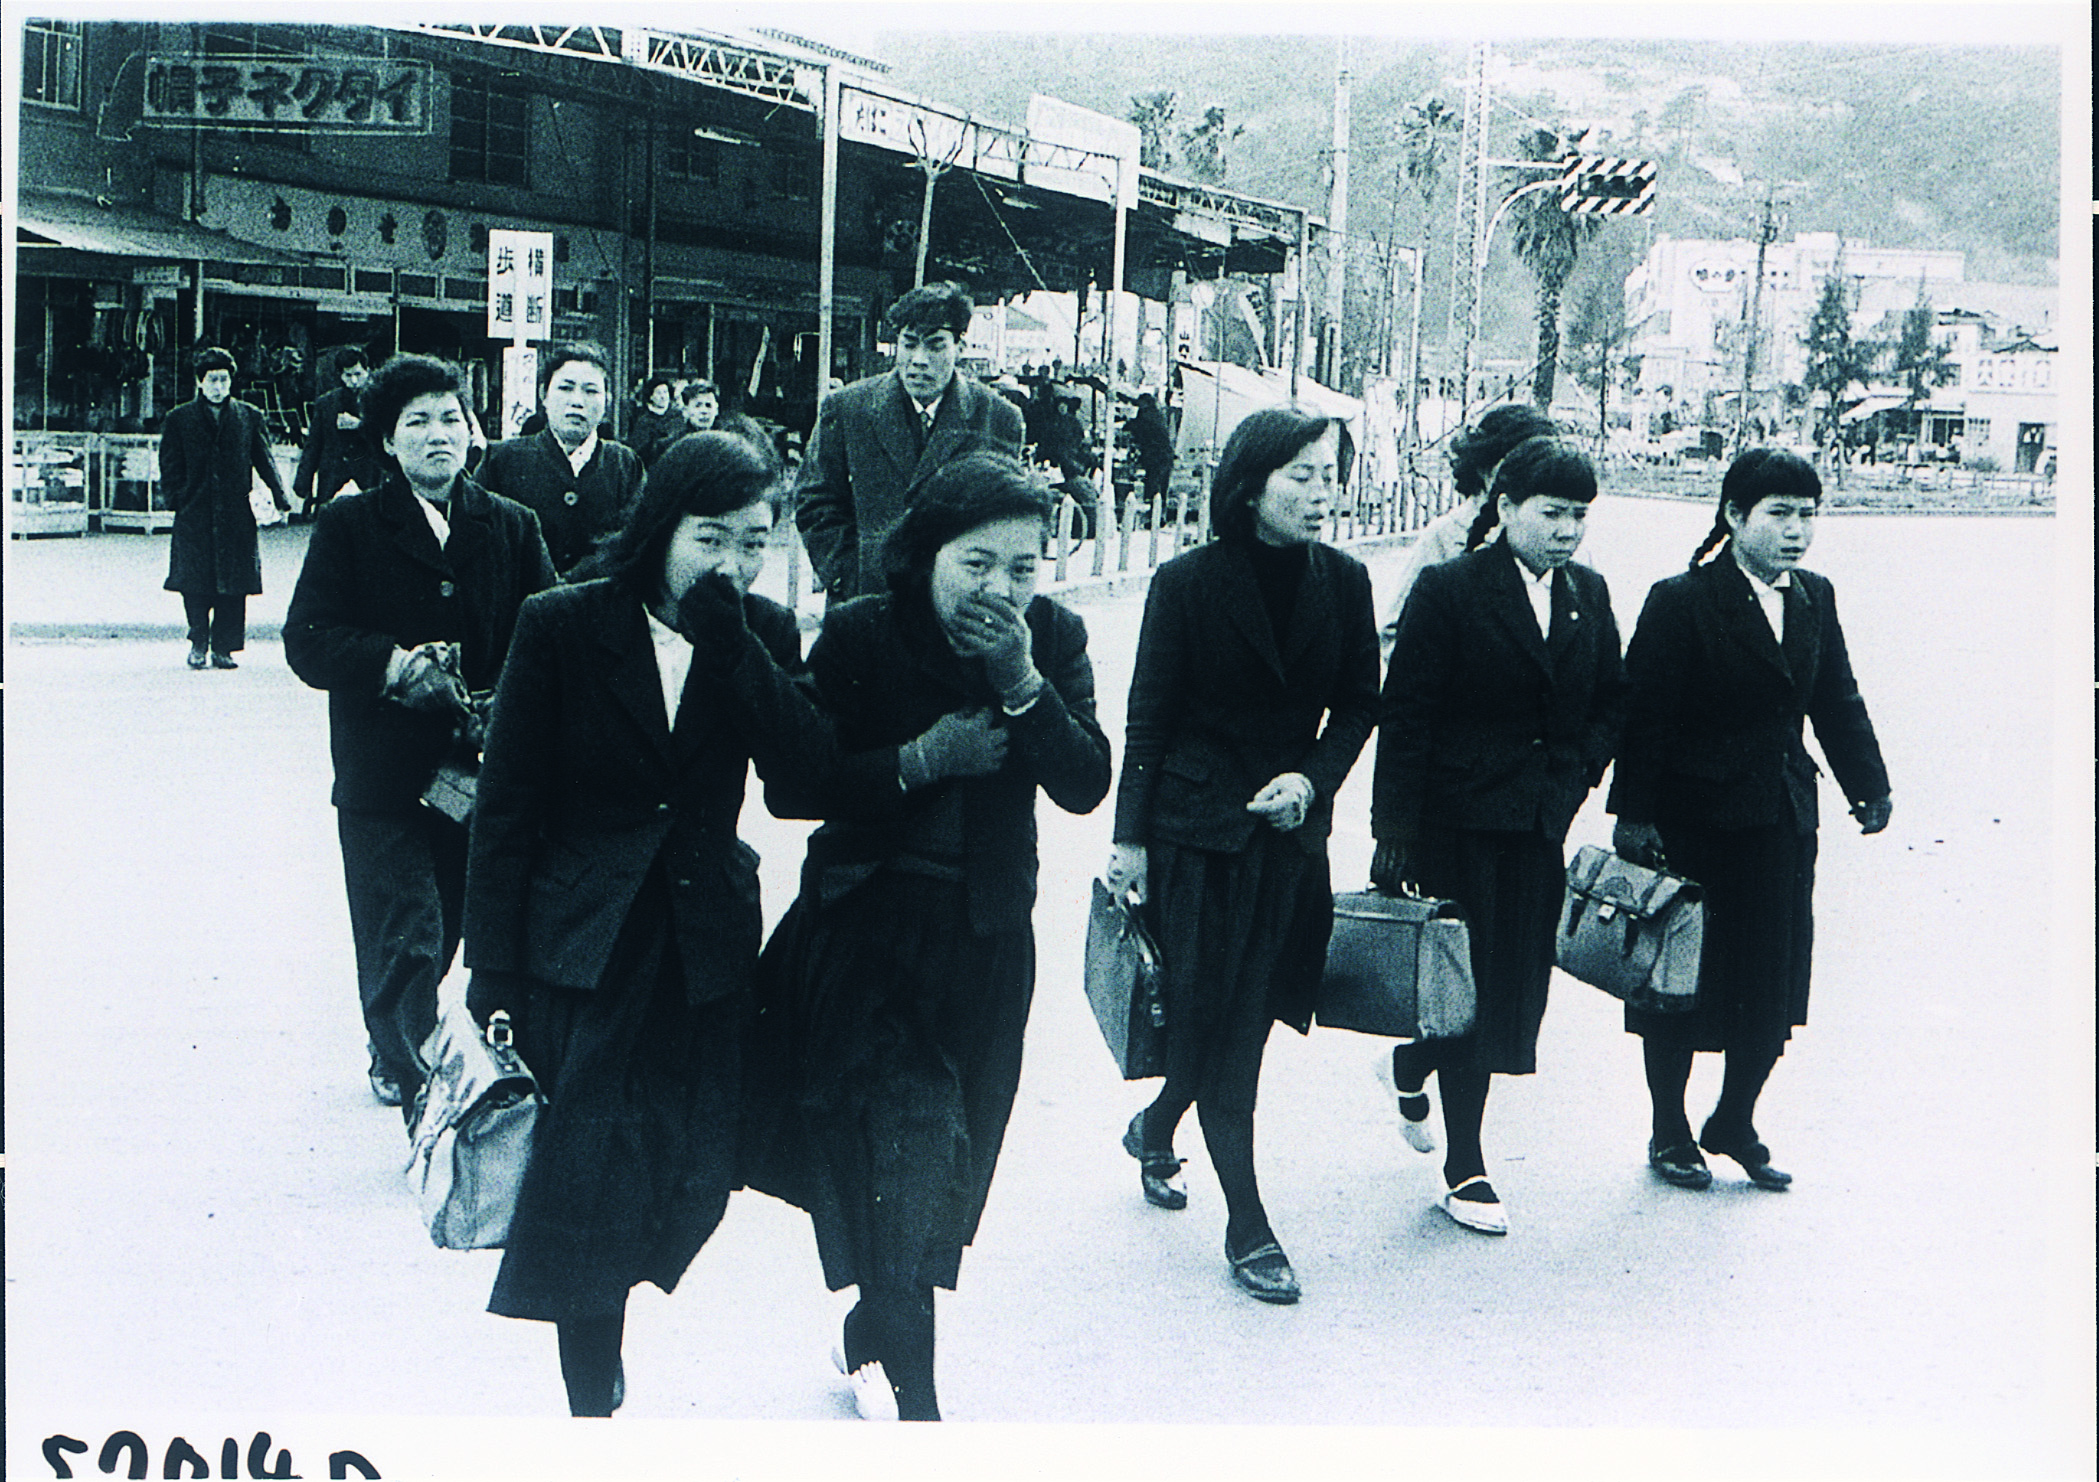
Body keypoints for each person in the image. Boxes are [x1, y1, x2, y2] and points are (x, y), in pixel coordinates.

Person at [460, 432, 834, 1417]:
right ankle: (593, 1375)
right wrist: (491, 968)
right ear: (661, 526)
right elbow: (506, 808)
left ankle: (610, 1303)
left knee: (695, 1169)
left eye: (754, 543)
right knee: (587, 1170)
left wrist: (734, 648)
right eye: (710, 538)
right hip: (584, 943)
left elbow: (803, 783)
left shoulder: (759, 632)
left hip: (704, 939)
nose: (731, 565)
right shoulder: (562, 622)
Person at [747, 451, 1111, 1420]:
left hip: (984, 941)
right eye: (975, 563)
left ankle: (873, 1326)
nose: (999, 589)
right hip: (865, 936)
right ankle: (918, 1409)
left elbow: (1085, 782)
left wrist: (1022, 682)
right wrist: (917, 760)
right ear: (925, 555)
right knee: (900, 1162)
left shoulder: (1051, 638)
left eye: (1022, 567)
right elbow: (795, 784)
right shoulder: (863, 631)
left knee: (940, 1167)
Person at [1103, 407, 1380, 1305]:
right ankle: (1248, 1224)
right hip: (1194, 838)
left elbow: (1359, 705)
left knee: (1241, 1019)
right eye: (1300, 475)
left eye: (1328, 475)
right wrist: (1129, 841)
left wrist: (1311, 781)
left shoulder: (1344, 581)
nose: (1320, 492)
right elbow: (1148, 717)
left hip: (1286, 842)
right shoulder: (1185, 582)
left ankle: (1155, 1126)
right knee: (1215, 1024)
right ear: (1249, 485)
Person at [1607, 448, 1890, 1192]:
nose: (1797, 531)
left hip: (1781, 820)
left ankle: (1734, 1118)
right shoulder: (1681, 600)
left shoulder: (1814, 596)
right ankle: (1669, 1128)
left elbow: (1836, 697)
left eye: (1808, 515)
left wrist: (1868, 784)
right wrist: (1633, 817)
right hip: (1694, 826)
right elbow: (1644, 718)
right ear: (1734, 516)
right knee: (1679, 981)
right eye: (1779, 514)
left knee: (1772, 982)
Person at [284, 354, 556, 1110]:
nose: (439, 435)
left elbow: (550, 634)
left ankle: (398, 1036)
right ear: (387, 440)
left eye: (450, 419)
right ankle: (412, 1073)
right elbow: (308, 638)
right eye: (418, 422)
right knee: (405, 925)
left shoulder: (512, 526)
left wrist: (512, 701)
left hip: (477, 773)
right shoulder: (349, 525)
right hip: (382, 773)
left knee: (453, 917)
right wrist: (395, 666)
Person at [1370, 436, 1627, 1236]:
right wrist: (1393, 833)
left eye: (1579, 515)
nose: (1566, 531)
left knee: (1514, 989)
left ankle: (1410, 1062)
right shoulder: (1450, 590)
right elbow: (1405, 717)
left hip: (1536, 827)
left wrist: (1575, 775)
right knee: (1467, 987)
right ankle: (1465, 1165)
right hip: (1455, 825)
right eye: (1551, 513)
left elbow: (1611, 700)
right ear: (1505, 507)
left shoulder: (1586, 593)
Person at [795, 282, 1026, 602]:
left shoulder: (997, 418)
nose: (919, 359)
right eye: (909, 343)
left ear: (960, 347)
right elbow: (814, 498)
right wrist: (846, 574)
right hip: (868, 598)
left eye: (935, 346)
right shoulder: (848, 408)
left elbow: (1005, 515)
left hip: (958, 601)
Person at [160, 347, 292, 670]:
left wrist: (280, 498)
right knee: (194, 582)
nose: (219, 387)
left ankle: (224, 648)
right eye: (212, 380)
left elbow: (265, 460)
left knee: (234, 585)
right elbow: (169, 464)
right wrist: (177, 499)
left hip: (235, 514)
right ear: (199, 382)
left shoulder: (249, 417)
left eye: (224, 379)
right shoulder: (179, 418)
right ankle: (198, 641)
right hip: (195, 513)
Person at [1380, 404, 1558, 643]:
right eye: (1520, 467)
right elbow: (1395, 632)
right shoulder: (1445, 537)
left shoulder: (1563, 538)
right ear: (1485, 468)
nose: (1533, 479)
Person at [479, 342, 644, 576]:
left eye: (590, 391)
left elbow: (636, 543)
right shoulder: (501, 460)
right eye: (565, 388)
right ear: (543, 395)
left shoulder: (625, 465)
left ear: (607, 400)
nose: (577, 401)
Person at [293, 348, 387, 518]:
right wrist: (303, 481)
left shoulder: (381, 400)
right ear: (340, 375)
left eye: (358, 374)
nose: (354, 380)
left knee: (374, 522)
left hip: (370, 473)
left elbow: (388, 435)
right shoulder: (326, 403)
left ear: (367, 371)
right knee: (326, 522)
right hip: (333, 472)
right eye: (348, 375)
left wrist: (360, 425)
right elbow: (314, 444)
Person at [1129, 391, 1176, 512]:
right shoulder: (1156, 414)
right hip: (1161, 454)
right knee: (1159, 483)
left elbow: (1137, 427)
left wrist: (1128, 426)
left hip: (1156, 455)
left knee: (1153, 482)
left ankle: (1153, 509)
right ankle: (1158, 509)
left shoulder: (1148, 415)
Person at [629, 373, 686, 469]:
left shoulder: (677, 417)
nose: (663, 396)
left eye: (665, 392)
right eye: (658, 393)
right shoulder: (644, 421)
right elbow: (638, 448)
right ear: (651, 396)